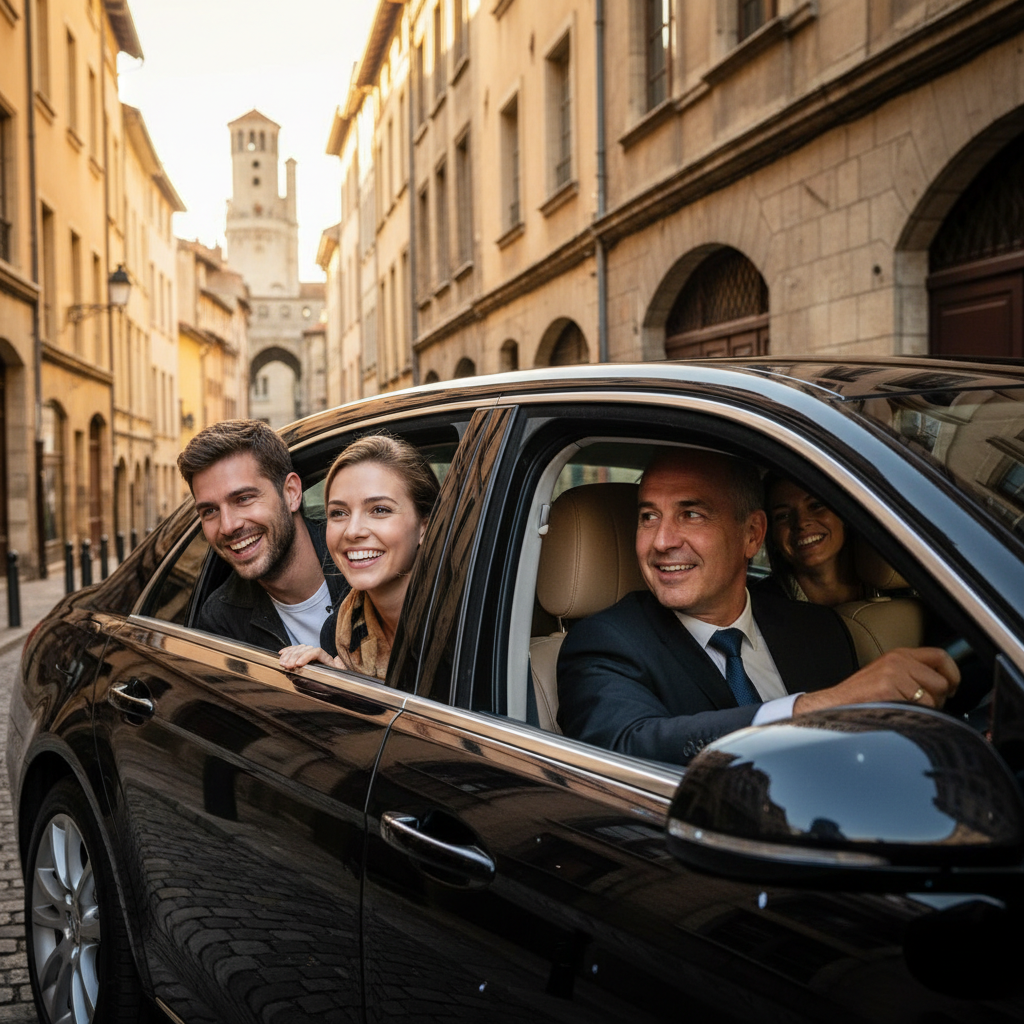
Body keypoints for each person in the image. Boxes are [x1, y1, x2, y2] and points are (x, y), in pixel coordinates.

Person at [556, 448, 959, 765]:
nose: (661, 541)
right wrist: (820, 707)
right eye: (648, 517)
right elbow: (628, 747)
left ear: (752, 534)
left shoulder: (819, 629)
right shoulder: (606, 642)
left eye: (691, 514)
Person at [177, 419, 347, 653]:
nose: (227, 526)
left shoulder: (362, 561)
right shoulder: (221, 621)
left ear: (291, 493)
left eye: (243, 499)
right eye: (210, 511)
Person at [278, 434, 439, 680]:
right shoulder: (338, 633)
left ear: (423, 526)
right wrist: (339, 685)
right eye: (339, 513)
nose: (353, 531)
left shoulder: (468, 622)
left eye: (380, 510)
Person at [762, 475, 864, 606]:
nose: (801, 523)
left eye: (816, 505)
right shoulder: (761, 607)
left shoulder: (887, 593)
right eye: (783, 515)